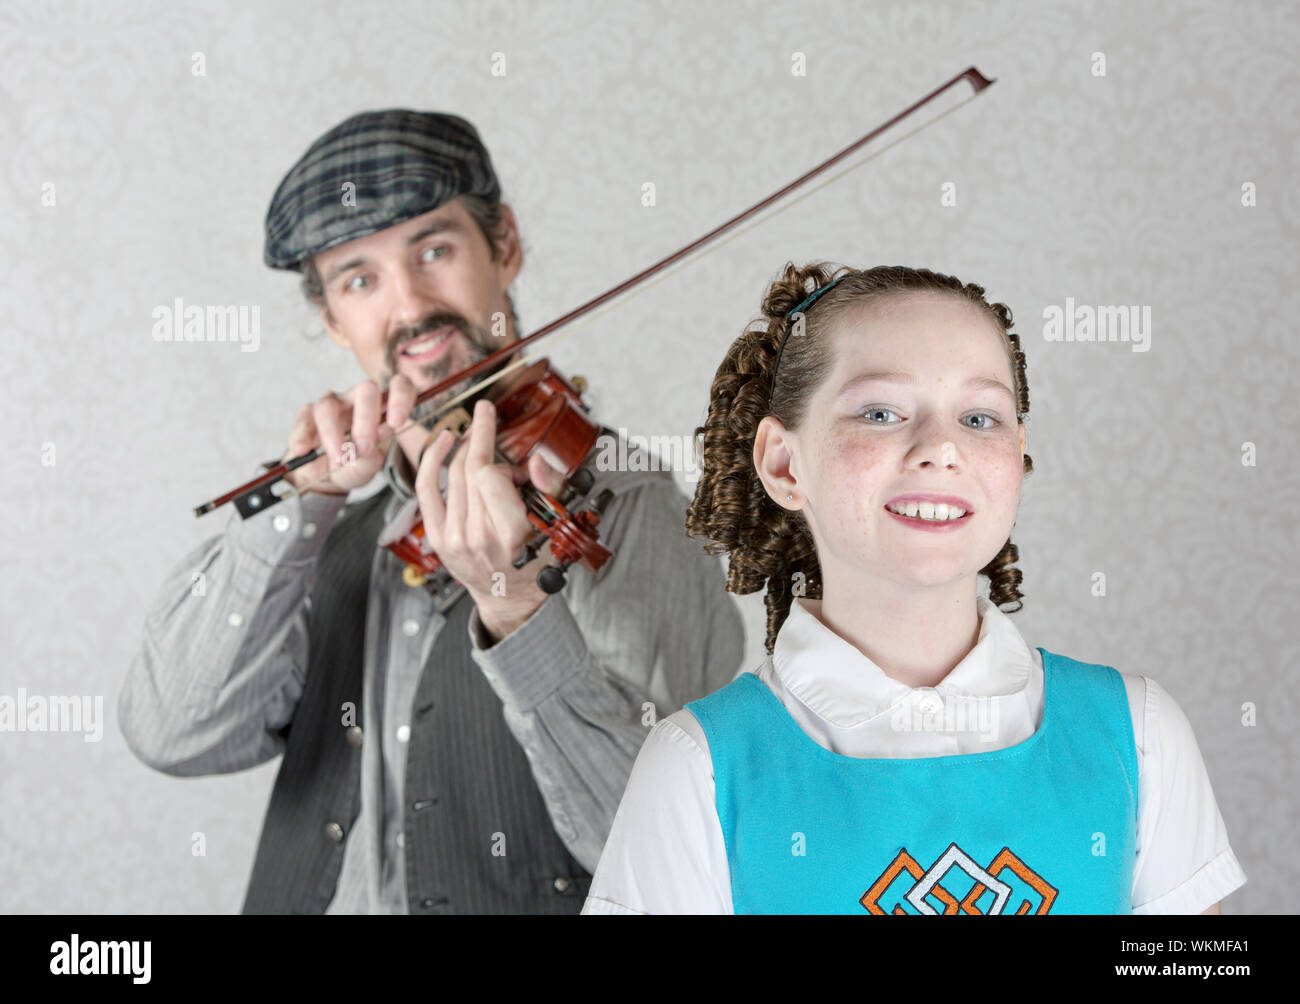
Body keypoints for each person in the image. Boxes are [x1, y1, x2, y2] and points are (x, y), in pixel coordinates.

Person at [119, 109, 745, 914]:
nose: (410, 305)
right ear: (332, 321)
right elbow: (174, 733)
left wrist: (518, 612)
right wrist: (301, 508)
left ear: (505, 245)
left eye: (435, 250)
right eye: (360, 278)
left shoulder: (625, 512)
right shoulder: (325, 527)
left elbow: (659, 851)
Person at [582, 262, 1247, 915]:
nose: (941, 447)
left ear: (1018, 454)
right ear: (784, 464)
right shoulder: (698, 768)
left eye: (980, 418)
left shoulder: (1139, 734)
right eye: (880, 411)